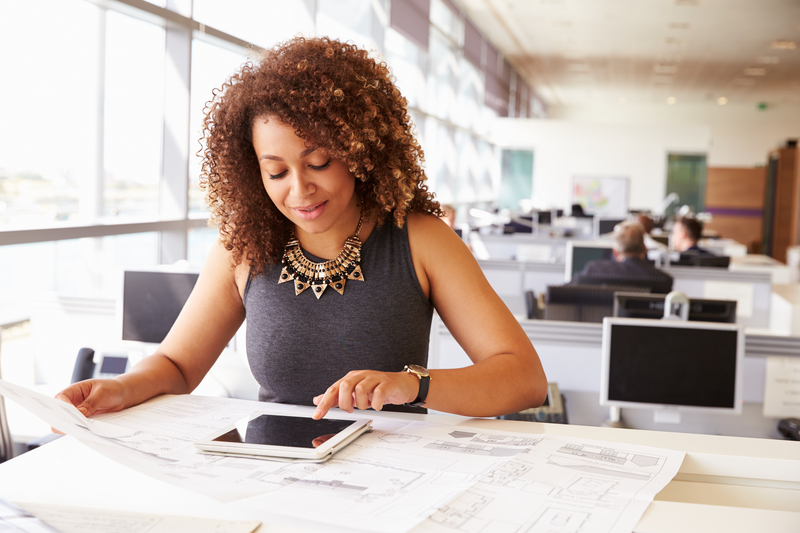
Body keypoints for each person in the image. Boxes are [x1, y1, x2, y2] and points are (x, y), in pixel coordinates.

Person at [55, 37, 547, 421]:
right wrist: (121, 388)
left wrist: (413, 384)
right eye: (277, 171)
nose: (300, 190)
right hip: (274, 475)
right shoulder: (243, 250)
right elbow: (179, 367)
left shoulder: (420, 240)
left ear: (359, 151)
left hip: (393, 480)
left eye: (318, 162)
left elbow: (524, 377)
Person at [573, 221, 673, 291]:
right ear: (645, 249)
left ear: (615, 252)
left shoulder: (593, 270)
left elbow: (563, 291)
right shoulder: (664, 279)